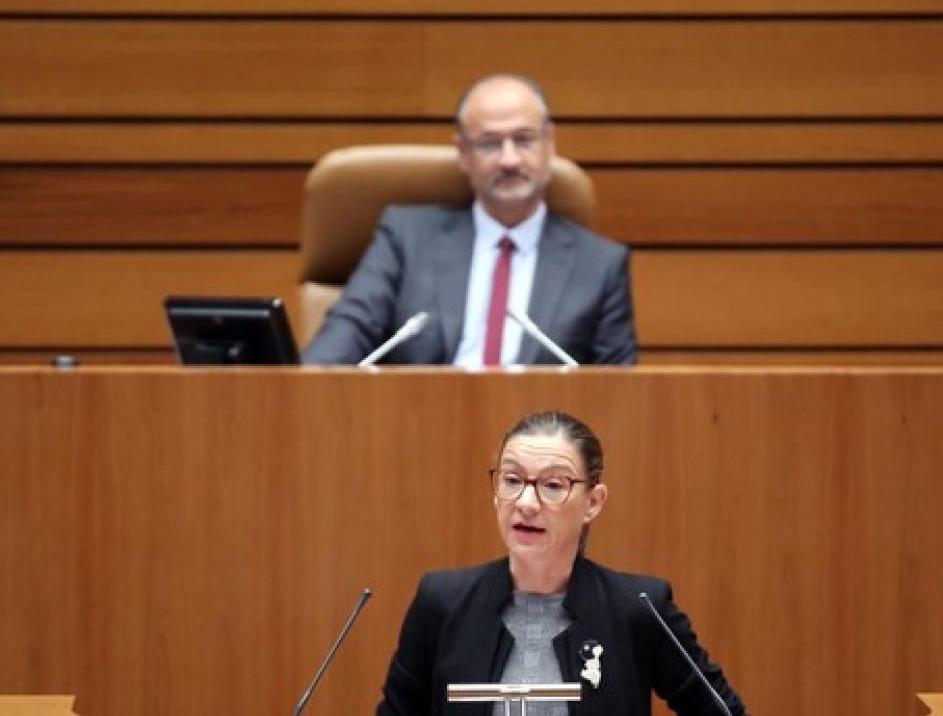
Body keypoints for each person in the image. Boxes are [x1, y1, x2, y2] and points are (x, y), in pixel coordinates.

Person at [376, 411, 749, 716]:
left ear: (593, 502)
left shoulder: (638, 608)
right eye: (511, 480)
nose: (525, 502)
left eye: (552, 486)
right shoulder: (441, 602)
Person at [302, 75, 637, 366]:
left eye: (524, 140)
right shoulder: (407, 239)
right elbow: (336, 349)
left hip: (540, 434)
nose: (509, 159)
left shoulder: (601, 265)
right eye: (490, 144)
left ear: (549, 142)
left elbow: (621, 395)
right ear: (463, 153)